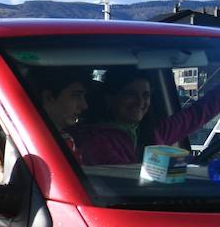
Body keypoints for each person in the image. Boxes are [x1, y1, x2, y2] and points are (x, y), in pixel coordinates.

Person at [73, 67, 220, 165]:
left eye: (146, 95)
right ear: (110, 98)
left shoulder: (153, 131)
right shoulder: (93, 140)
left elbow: (197, 113)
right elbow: (124, 181)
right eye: (130, 94)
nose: (140, 102)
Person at [34, 68, 89, 161]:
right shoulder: (32, 142)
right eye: (76, 96)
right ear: (48, 98)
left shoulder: (65, 139)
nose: (84, 106)